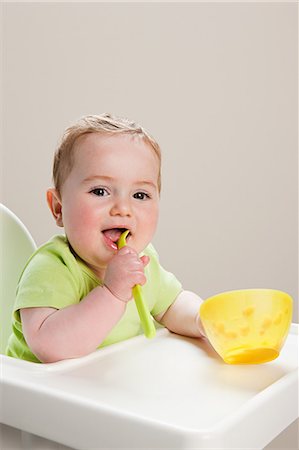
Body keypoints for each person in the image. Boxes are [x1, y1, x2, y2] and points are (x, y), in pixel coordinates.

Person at [6, 114, 206, 363]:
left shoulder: (143, 260)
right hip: (34, 396)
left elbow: (172, 304)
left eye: (140, 195)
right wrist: (112, 294)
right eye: (100, 191)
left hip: (104, 391)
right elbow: (49, 347)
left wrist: (202, 319)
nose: (123, 208)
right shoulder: (53, 267)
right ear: (58, 208)